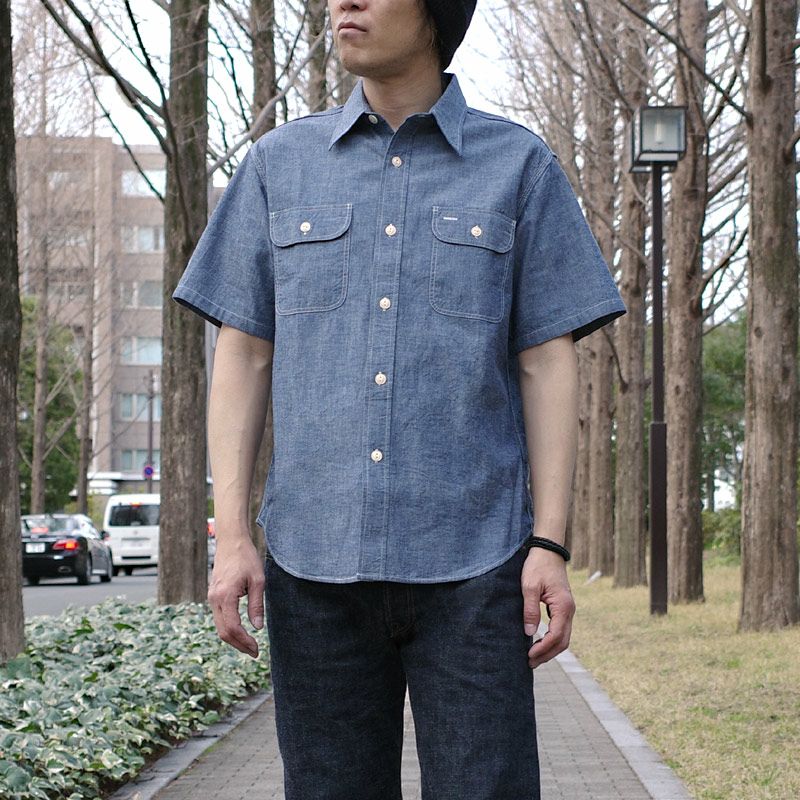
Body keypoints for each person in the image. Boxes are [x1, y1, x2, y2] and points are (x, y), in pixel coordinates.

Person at [172, 0, 627, 797]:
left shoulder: (519, 166)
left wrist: (550, 544)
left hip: (477, 566)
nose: (342, 3)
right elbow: (243, 353)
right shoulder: (278, 165)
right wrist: (233, 537)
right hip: (313, 565)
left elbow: (546, 365)